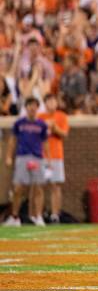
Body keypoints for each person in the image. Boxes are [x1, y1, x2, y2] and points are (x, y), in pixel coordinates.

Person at [3, 97, 49, 226]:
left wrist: (48, 159)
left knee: (39, 187)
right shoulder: (20, 123)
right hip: (22, 156)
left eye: (35, 105)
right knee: (18, 187)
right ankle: (15, 216)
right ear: (26, 107)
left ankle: (39, 217)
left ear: (37, 108)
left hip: (37, 157)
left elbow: (45, 143)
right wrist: (9, 156)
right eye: (30, 105)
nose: (32, 108)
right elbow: (13, 140)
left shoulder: (42, 124)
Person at [37, 94, 69, 224]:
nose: (51, 103)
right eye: (48, 101)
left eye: (53, 101)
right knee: (39, 186)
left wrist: (54, 127)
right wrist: (45, 126)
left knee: (55, 185)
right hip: (42, 155)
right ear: (44, 103)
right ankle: (38, 215)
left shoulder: (61, 116)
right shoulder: (40, 117)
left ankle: (55, 214)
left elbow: (64, 134)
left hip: (56, 155)